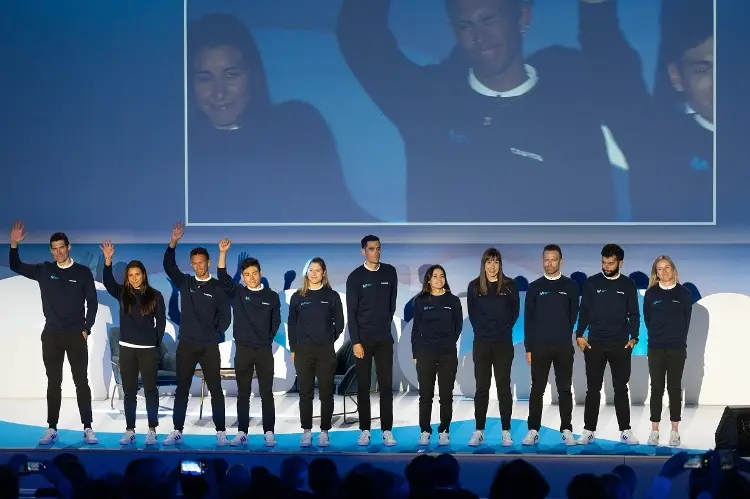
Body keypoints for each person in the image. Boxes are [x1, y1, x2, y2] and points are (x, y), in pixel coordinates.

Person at [337, 0, 619, 222]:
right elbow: (359, 36)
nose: (478, 37)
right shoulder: (427, 101)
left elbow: (595, 228)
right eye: (465, 25)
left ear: (522, 18)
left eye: (489, 20)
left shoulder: (569, 119)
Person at [187, 13, 370, 224]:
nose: (219, 92)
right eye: (204, 78)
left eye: (231, 75)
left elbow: (336, 208)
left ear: (253, 75)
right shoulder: (181, 152)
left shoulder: (297, 125)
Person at [578, 0, 713, 222]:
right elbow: (611, 67)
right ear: (676, 77)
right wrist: (596, 9)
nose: (719, 81)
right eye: (703, 69)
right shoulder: (658, 141)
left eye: (729, 65)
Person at [8, 221, 99, 445]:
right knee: (53, 383)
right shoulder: (44, 270)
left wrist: (86, 328)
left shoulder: (83, 272)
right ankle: (52, 428)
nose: (58, 252)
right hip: (52, 336)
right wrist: (13, 243)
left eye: (62, 247)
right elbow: (16, 266)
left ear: (69, 247)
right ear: (51, 250)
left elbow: (93, 303)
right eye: (54, 248)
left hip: (76, 335)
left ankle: (87, 428)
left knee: (81, 382)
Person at [161, 222, 231, 446]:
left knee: (215, 389)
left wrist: (216, 334)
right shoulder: (186, 282)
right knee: (182, 388)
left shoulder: (218, 287)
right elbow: (169, 266)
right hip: (187, 345)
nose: (198, 266)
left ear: (208, 263)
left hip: (209, 346)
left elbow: (225, 316)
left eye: (201, 263)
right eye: (194, 263)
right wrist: (173, 242)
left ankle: (221, 432)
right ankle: (177, 430)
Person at [100, 241, 166, 446]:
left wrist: (153, 343)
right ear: (127, 277)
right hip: (127, 349)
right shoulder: (123, 294)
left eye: (137, 274)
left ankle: (152, 429)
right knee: (129, 392)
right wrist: (108, 260)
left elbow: (161, 323)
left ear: (143, 275)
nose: (134, 278)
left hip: (147, 350)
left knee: (150, 390)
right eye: (130, 275)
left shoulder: (155, 296)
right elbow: (108, 281)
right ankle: (130, 430)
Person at [216, 239, 281, 447]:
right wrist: (223, 253)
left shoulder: (271, 296)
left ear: (260, 273)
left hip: (263, 351)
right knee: (243, 394)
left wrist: (266, 339)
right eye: (246, 275)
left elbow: (276, 320)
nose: (251, 277)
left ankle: (269, 432)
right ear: (242, 277)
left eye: (254, 273)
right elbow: (222, 277)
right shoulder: (238, 293)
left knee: (266, 394)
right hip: (242, 350)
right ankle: (242, 432)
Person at [575, 244, 640, 445]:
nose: (607, 266)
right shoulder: (591, 283)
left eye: (611, 263)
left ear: (620, 263)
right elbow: (584, 310)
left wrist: (634, 338)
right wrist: (579, 335)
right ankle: (588, 431)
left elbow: (634, 314)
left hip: (620, 345)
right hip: (594, 344)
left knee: (621, 388)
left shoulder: (628, 285)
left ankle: (625, 431)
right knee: (592, 389)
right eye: (604, 262)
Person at [522, 244, 579, 446]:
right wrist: (528, 347)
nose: (549, 263)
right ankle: (533, 430)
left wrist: (562, 331)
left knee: (564, 388)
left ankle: (566, 430)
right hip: (539, 347)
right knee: (537, 389)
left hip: (563, 346)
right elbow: (528, 319)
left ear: (560, 261)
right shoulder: (534, 287)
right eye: (546, 259)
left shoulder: (570, 286)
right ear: (542, 261)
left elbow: (573, 315)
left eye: (553, 259)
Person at [345, 235, 398, 446]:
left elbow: (391, 304)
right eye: (371, 249)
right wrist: (356, 341)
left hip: (384, 339)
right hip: (363, 341)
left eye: (378, 248)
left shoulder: (390, 272)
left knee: (386, 386)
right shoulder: (355, 277)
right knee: (364, 386)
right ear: (363, 252)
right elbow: (352, 312)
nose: (376, 252)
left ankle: (387, 430)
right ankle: (365, 430)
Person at [288, 257, 344, 447]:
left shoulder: (332, 296)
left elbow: (340, 323)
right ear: (306, 273)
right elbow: (292, 326)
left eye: (317, 270)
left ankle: (324, 432)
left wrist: (328, 339)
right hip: (303, 352)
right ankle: (306, 432)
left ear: (324, 273)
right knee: (305, 393)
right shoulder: (298, 297)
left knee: (326, 393)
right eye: (310, 270)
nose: (314, 273)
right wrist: (294, 348)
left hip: (325, 352)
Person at [466, 248, 520, 447]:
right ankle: (479, 430)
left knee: (504, 388)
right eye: (489, 262)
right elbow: (473, 315)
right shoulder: (473, 286)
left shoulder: (510, 285)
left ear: (500, 264)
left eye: (496, 262)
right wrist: (486, 329)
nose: (492, 266)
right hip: (482, 343)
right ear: (483, 264)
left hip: (503, 343)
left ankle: (506, 431)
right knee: (482, 388)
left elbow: (514, 313)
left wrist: (501, 329)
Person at [411, 265, 463, 446]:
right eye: (435, 276)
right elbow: (416, 329)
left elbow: (458, 326)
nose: (439, 279)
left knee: (446, 396)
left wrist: (448, 342)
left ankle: (444, 430)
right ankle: (425, 430)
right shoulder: (420, 301)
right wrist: (416, 352)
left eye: (442, 275)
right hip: (425, 353)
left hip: (447, 354)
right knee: (425, 396)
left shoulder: (453, 301)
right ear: (428, 279)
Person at [643, 255, 692, 447]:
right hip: (656, 347)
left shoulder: (684, 293)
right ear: (656, 273)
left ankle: (674, 431)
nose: (664, 272)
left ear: (673, 269)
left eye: (667, 267)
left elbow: (686, 320)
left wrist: (677, 338)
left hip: (677, 348)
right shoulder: (651, 294)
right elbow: (648, 320)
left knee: (674, 388)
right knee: (656, 388)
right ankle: (654, 431)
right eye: (660, 269)